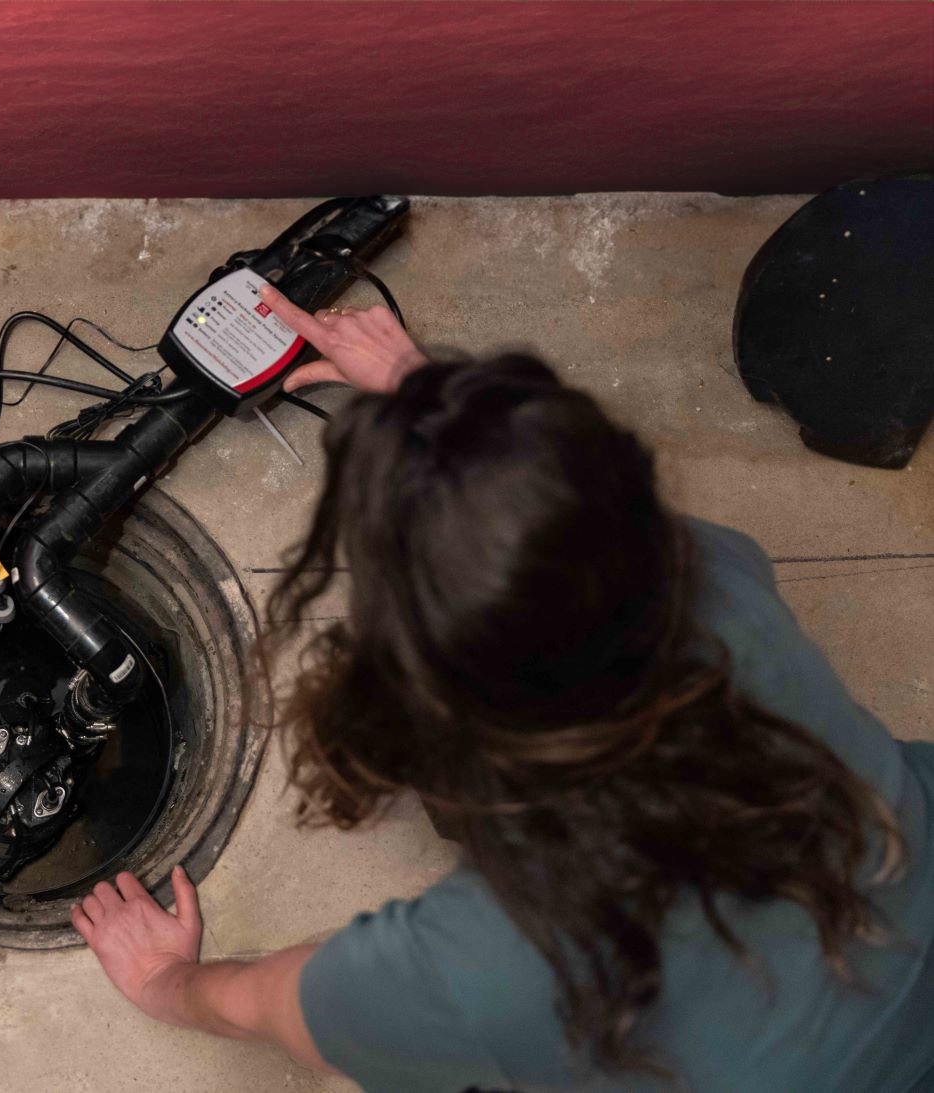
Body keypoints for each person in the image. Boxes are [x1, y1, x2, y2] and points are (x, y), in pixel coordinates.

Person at [71, 284, 934, 1092]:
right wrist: (439, 410)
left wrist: (166, 979)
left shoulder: (490, 965)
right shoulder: (715, 586)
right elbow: (577, 534)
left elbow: (281, 1003)